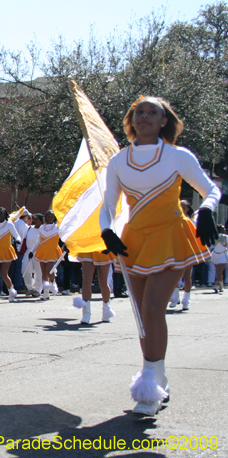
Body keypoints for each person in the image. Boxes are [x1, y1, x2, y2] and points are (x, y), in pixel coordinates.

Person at [100, 96, 220, 417]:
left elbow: (211, 190)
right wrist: (106, 230)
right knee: (142, 317)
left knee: (154, 307)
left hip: (170, 235)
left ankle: (149, 391)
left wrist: (206, 210)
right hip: (134, 241)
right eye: (140, 111)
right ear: (132, 119)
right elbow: (109, 205)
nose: (146, 116)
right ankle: (156, 377)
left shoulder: (177, 156)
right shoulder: (119, 160)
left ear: (164, 120)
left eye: (153, 112)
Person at [72, 247, 115, 324]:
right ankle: (86, 313)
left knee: (103, 282)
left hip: (103, 249)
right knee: (86, 281)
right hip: (88, 249)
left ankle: (106, 310)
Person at [33, 210, 62, 300]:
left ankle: (53, 282)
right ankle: (46, 293)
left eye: (52, 216)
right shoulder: (42, 228)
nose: (50, 218)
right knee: (44, 272)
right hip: (42, 251)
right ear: (46, 217)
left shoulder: (57, 227)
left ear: (54, 218)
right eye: (48, 216)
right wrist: (32, 250)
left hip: (52, 251)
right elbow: (39, 241)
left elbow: (64, 237)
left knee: (50, 270)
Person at [22, 214, 43, 298]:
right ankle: (30, 287)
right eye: (33, 218)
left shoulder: (43, 229)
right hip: (28, 252)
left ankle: (38, 289)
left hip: (39, 253)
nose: (34, 220)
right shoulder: (29, 228)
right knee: (25, 270)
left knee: (39, 272)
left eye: (37, 219)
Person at [210, 225, 227, 293]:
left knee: (219, 272)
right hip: (215, 255)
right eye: (223, 228)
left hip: (223, 255)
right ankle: (221, 286)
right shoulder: (213, 237)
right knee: (219, 272)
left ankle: (217, 286)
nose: (225, 229)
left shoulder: (225, 237)